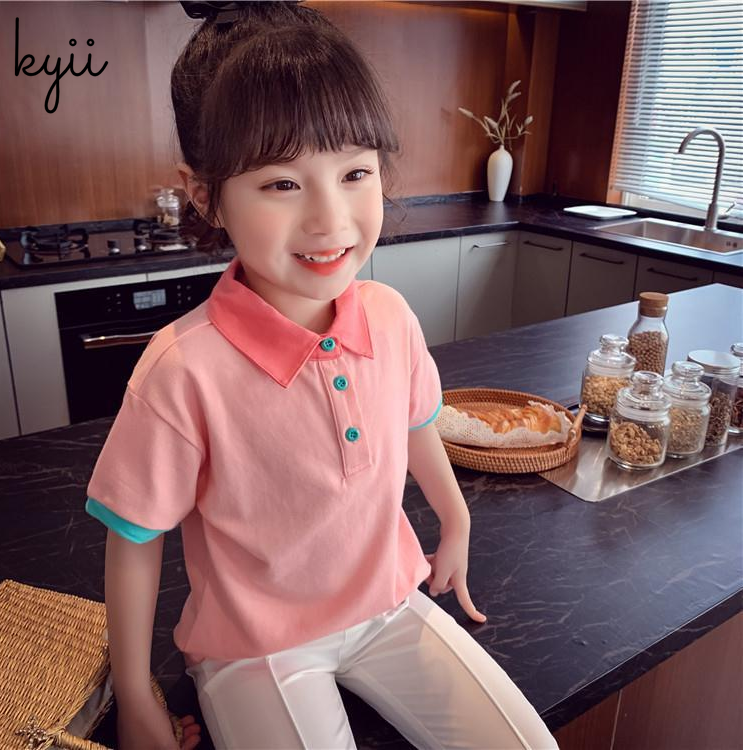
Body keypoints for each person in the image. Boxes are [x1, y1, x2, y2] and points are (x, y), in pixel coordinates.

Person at [85, 2, 559, 749]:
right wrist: (138, 697)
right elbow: (134, 534)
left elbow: (415, 424)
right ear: (205, 195)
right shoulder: (183, 368)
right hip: (256, 646)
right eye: (282, 184)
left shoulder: (391, 315)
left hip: (390, 603)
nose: (329, 219)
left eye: (355, 172)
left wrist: (456, 520)